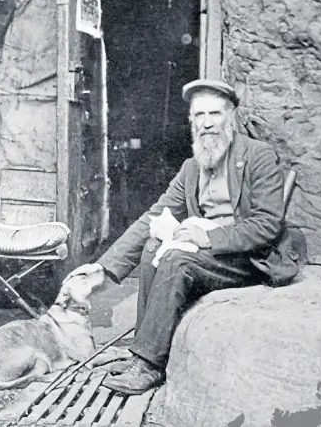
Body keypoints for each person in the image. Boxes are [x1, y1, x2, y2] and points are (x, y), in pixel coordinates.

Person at [64, 79, 299, 395]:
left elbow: (267, 225)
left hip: (249, 257)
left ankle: (149, 366)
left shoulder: (258, 156)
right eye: (199, 115)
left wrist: (207, 239)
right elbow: (153, 215)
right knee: (152, 247)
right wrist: (104, 268)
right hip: (210, 258)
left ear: (232, 116)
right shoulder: (193, 166)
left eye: (215, 113)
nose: (207, 123)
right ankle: (141, 350)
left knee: (176, 258)